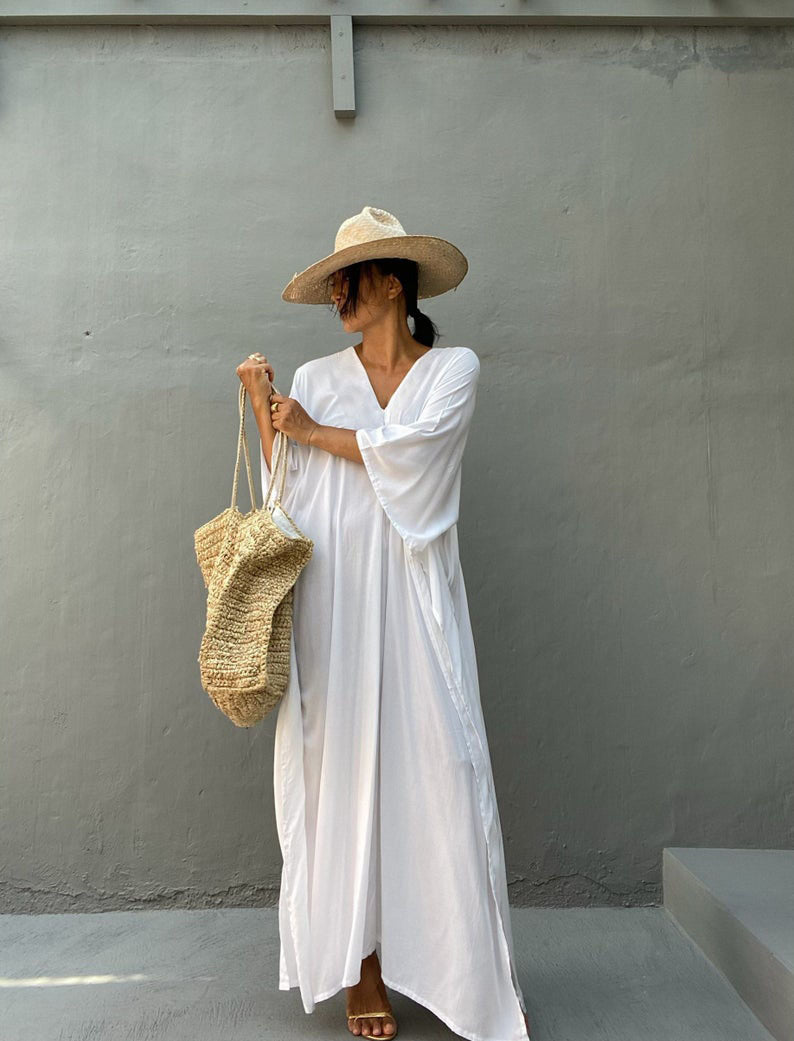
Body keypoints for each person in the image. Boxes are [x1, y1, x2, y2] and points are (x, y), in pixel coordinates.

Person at [236, 207, 531, 1041]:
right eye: (332, 279)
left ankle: (455, 965)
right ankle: (364, 968)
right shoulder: (317, 373)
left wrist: (311, 428)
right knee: (343, 771)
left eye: (350, 277)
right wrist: (265, 408)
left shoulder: (452, 371)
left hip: (416, 599)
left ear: (392, 284)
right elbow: (286, 485)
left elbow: (414, 456)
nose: (337, 292)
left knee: (437, 767)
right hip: (336, 597)